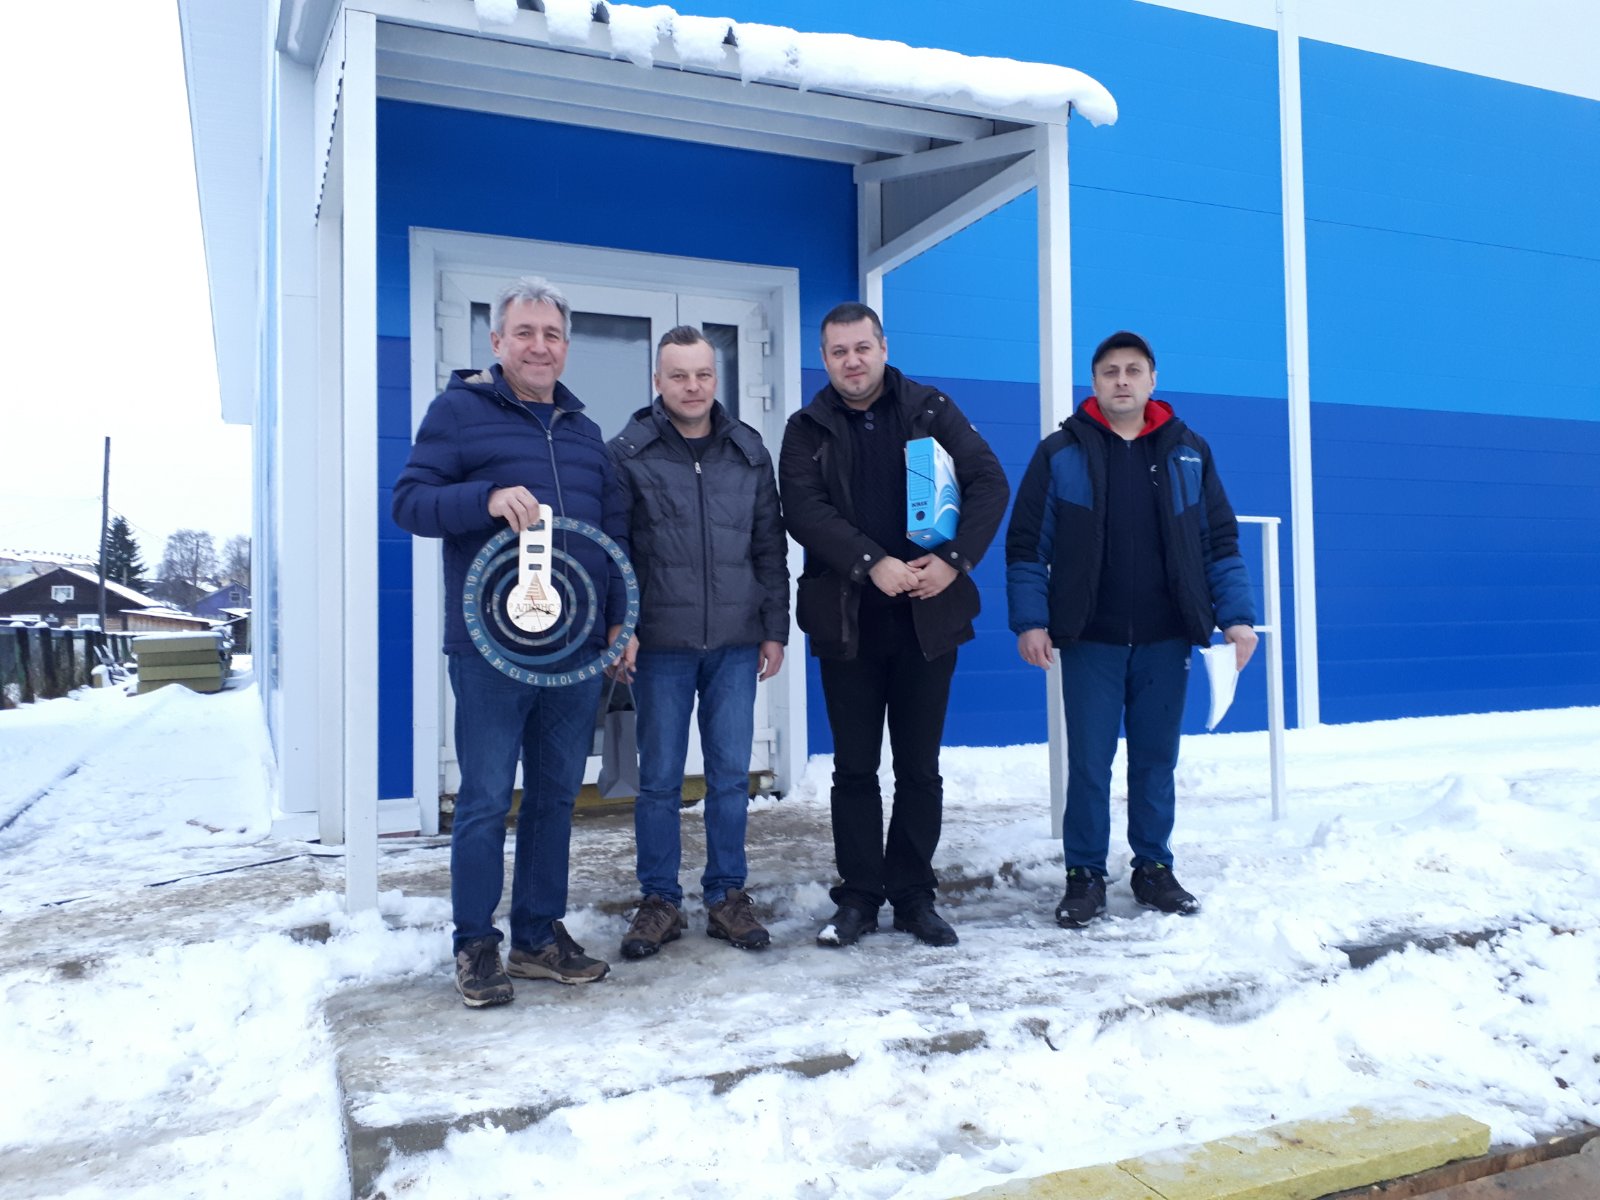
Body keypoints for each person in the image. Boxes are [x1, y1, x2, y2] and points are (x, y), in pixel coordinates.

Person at [392, 276, 627, 1008]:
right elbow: (409, 503)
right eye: (524, 333)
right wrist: (485, 498)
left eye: (552, 334)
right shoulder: (458, 413)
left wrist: (619, 619)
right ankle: (475, 943)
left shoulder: (586, 434)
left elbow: (614, 534)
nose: (539, 346)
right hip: (490, 650)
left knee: (555, 797)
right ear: (497, 341)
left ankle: (536, 937)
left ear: (566, 346)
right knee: (487, 799)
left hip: (575, 651)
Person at [1005, 330, 1258, 928]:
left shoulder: (1188, 451)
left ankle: (1154, 869)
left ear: (1152, 379)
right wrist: (1031, 620)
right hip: (1089, 637)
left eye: (1133, 370)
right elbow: (1027, 545)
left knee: (1155, 761)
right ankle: (1084, 876)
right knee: (1090, 765)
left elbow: (1219, 542)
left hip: (1167, 637)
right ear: (1094, 383)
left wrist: (1237, 617)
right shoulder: (1060, 453)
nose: (1122, 380)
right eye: (1110, 371)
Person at [779, 302, 1010, 948]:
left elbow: (989, 482)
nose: (851, 361)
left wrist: (954, 561)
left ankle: (912, 895)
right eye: (838, 352)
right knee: (854, 769)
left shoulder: (930, 409)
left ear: (883, 348)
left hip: (926, 623)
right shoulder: (806, 428)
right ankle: (858, 896)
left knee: (919, 768)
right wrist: (870, 563)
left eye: (862, 348)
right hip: (848, 623)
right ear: (824, 359)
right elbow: (804, 510)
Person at [605, 326, 790, 960]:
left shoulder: (748, 452)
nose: (692, 387)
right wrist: (623, 624)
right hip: (660, 645)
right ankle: (659, 900)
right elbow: (616, 550)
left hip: (736, 643)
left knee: (730, 778)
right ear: (657, 381)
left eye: (703, 374)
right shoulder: (628, 453)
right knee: (658, 780)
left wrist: (774, 628)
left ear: (717, 378)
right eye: (679, 375)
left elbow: (769, 546)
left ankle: (726, 896)